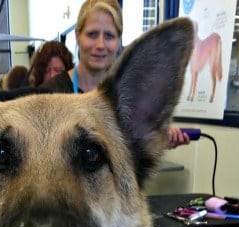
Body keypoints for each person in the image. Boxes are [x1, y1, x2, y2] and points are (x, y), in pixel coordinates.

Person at [41, 0, 190, 148]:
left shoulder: (126, 97)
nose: (100, 45)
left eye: (109, 36)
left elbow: (131, 153)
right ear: (78, 35)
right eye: (92, 34)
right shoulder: (50, 92)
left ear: (118, 40)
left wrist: (154, 142)